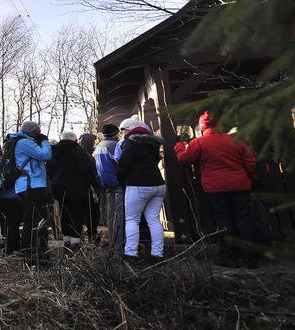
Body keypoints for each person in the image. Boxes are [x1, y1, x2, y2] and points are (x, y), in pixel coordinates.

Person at [175, 109, 258, 268]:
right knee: (244, 219)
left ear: (201, 126)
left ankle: (229, 257)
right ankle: (250, 258)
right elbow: (250, 162)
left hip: (215, 188)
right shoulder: (236, 140)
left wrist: (179, 145)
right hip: (240, 185)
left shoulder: (199, 142)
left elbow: (184, 159)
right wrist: (251, 180)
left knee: (224, 221)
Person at [117, 121, 166, 262]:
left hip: (137, 185)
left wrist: (122, 181)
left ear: (129, 131)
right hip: (158, 184)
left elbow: (123, 164)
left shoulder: (131, 142)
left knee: (132, 220)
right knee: (154, 220)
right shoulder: (153, 144)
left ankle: (131, 253)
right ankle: (157, 253)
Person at [48, 131, 100, 253]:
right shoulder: (79, 152)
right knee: (77, 216)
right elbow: (88, 169)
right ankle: (75, 244)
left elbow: (50, 169)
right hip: (78, 190)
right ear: (75, 140)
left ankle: (66, 243)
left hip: (60, 190)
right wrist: (93, 185)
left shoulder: (54, 152)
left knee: (64, 216)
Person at [12, 121, 52, 266]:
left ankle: (31, 254)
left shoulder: (21, 141)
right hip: (32, 186)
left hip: (28, 186)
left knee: (32, 221)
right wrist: (45, 141)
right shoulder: (25, 143)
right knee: (37, 222)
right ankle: (37, 256)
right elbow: (45, 155)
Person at [94, 123, 124, 251]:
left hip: (105, 185)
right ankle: (118, 245)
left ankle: (111, 243)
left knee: (110, 216)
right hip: (117, 184)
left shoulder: (99, 146)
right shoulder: (115, 145)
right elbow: (121, 163)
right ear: (116, 133)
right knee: (119, 216)